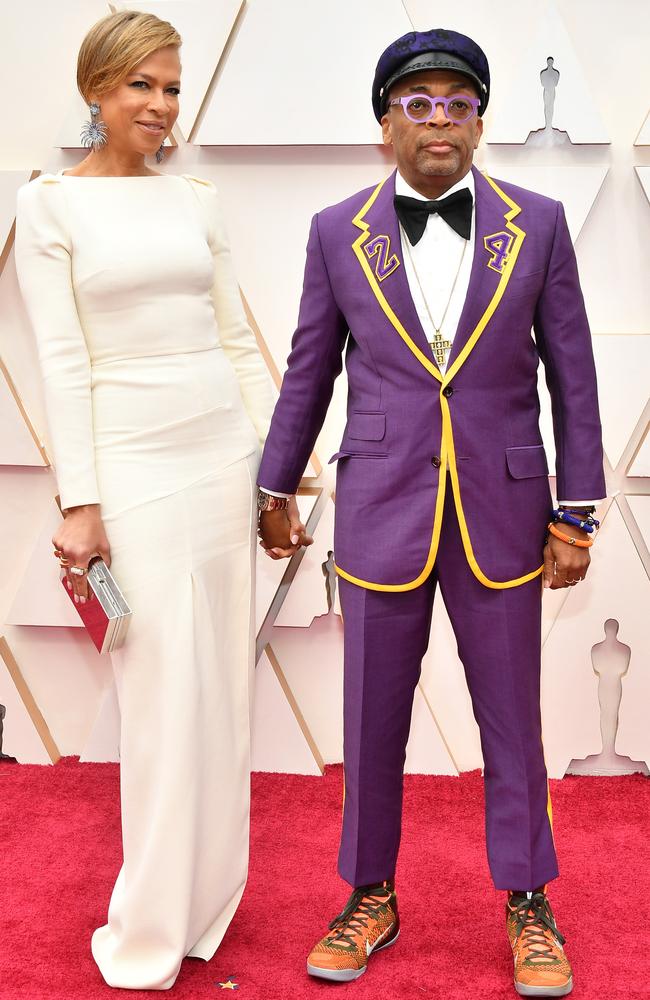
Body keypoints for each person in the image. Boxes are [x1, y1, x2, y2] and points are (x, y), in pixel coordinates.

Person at [256, 28, 605, 997]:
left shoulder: (535, 222)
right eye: (418, 103)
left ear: (479, 119)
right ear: (384, 124)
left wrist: (574, 508)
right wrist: (271, 483)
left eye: (456, 102)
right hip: (378, 502)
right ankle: (369, 891)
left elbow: (571, 378)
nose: (438, 118)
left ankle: (527, 899)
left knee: (510, 721)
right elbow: (308, 368)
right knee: (369, 719)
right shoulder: (337, 230)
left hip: (502, 508)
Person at [13, 10, 301, 990]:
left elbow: (232, 341)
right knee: (161, 697)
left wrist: (278, 470)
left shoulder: (195, 201)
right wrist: (80, 499)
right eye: (141, 85)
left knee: (220, 687)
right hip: (134, 467)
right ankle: (146, 923)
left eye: (173, 87)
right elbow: (62, 362)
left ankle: (203, 903)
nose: (160, 105)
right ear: (96, 90)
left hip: (222, 453)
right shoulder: (50, 207)